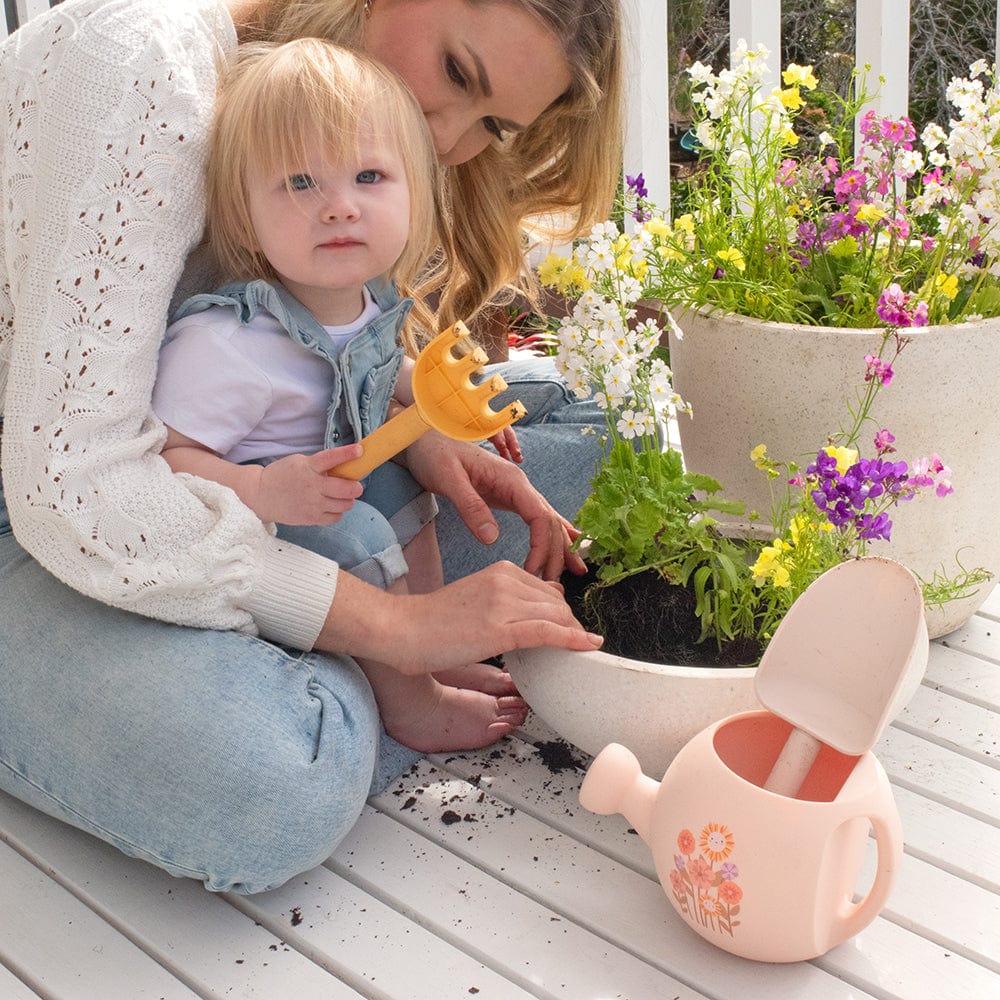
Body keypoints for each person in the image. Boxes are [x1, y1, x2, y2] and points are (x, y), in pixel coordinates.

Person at [0, 0, 622, 894]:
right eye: (455, 71)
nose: (445, 139)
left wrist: (403, 436)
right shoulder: (141, 63)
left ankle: (334, 650)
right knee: (284, 775)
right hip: (49, 512)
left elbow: (315, 342)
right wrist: (398, 629)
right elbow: (73, 486)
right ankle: (364, 663)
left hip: (261, 475)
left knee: (566, 419)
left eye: (490, 124)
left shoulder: (329, 123)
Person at [152, 37, 528, 753]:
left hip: (331, 481)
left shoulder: (372, 302)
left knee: (402, 492)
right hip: (262, 525)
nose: (339, 208)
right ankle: (409, 701)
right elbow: (165, 462)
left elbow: (378, 371)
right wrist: (258, 488)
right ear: (244, 208)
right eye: (300, 184)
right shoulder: (225, 345)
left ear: (415, 191)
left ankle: (431, 645)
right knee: (362, 538)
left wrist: (434, 399)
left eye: (369, 176)